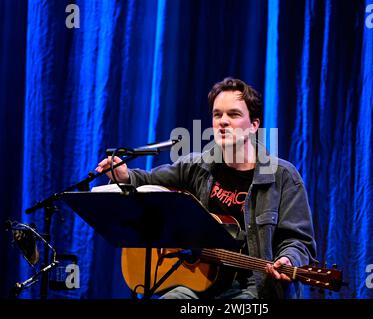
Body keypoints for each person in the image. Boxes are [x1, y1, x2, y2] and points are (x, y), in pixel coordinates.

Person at [96, 77, 316, 299]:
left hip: (254, 287)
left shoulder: (283, 176)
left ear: (254, 125)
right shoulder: (196, 166)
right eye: (217, 114)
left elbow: (298, 241)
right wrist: (124, 176)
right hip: (198, 281)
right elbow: (147, 183)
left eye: (233, 114)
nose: (223, 121)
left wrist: (289, 259)